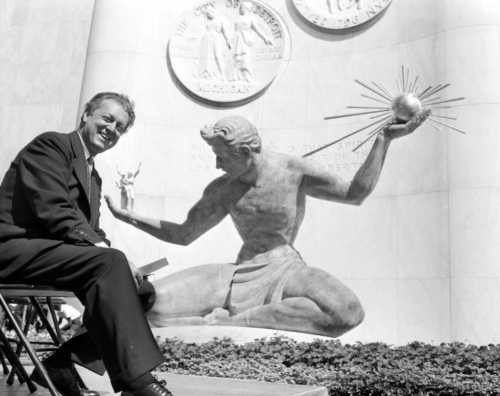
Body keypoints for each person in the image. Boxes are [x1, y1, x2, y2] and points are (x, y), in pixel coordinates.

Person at [105, 111, 430, 338]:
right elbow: (183, 233)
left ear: (247, 151)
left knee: (346, 311)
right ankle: (228, 314)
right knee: (149, 305)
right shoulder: (223, 189)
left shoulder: (292, 171)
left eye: (222, 156)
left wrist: (383, 140)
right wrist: (126, 215)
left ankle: (233, 321)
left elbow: (354, 193)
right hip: (238, 274)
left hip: (287, 269)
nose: (217, 164)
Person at [0, 92, 172, 396]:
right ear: (86, 115)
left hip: (52, 254)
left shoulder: (94, 178)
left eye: (120, 127)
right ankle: (136, 381)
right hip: (14, 249)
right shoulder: (52, 146)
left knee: (141, 288)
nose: (112, 129)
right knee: (111, 262)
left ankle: (61, 365)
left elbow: (91, 230)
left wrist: (116, 255)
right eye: (107, 118)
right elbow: (53, 210)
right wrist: (105, 250)